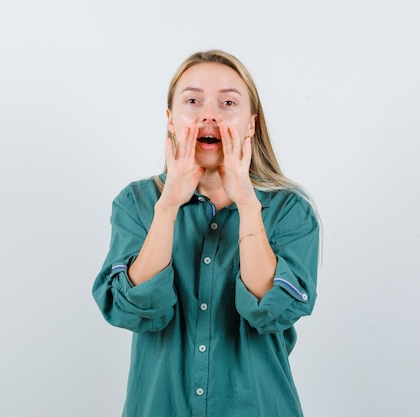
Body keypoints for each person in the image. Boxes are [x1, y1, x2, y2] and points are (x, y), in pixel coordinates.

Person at [92, 49, 321, 417]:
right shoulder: (136, 203)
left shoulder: (289, 211)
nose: (209, 114)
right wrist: (167, 207)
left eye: (228, 102)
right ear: (170, 119)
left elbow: (271, 312)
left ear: (251, 124)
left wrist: (248, 204)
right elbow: (129, 310)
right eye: (193, 100)